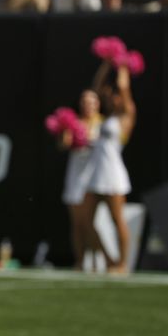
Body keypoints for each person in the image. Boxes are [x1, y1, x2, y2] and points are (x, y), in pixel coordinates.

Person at [82, 59, 135, 275]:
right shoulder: (102, 117)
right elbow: (96, 87)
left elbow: (124, 89)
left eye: (116, 95)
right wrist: (106, 63)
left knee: (116, 219)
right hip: (96, 174)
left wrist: (121, 64)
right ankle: (109, 259)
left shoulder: (126, 115)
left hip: (113, 174)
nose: (113, 97)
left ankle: (123, 263)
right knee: (86, 220)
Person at [61, 89, 107, 271]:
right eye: (84, 102)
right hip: (75, 176)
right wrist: (67, 134)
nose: (88, 105)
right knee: (77, 223)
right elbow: (63, 145)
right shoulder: (74, 123)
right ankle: (80, 261)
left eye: (92, 101)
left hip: (93, 177)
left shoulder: (103, 124)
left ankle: (100, 260)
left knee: (89, 222)